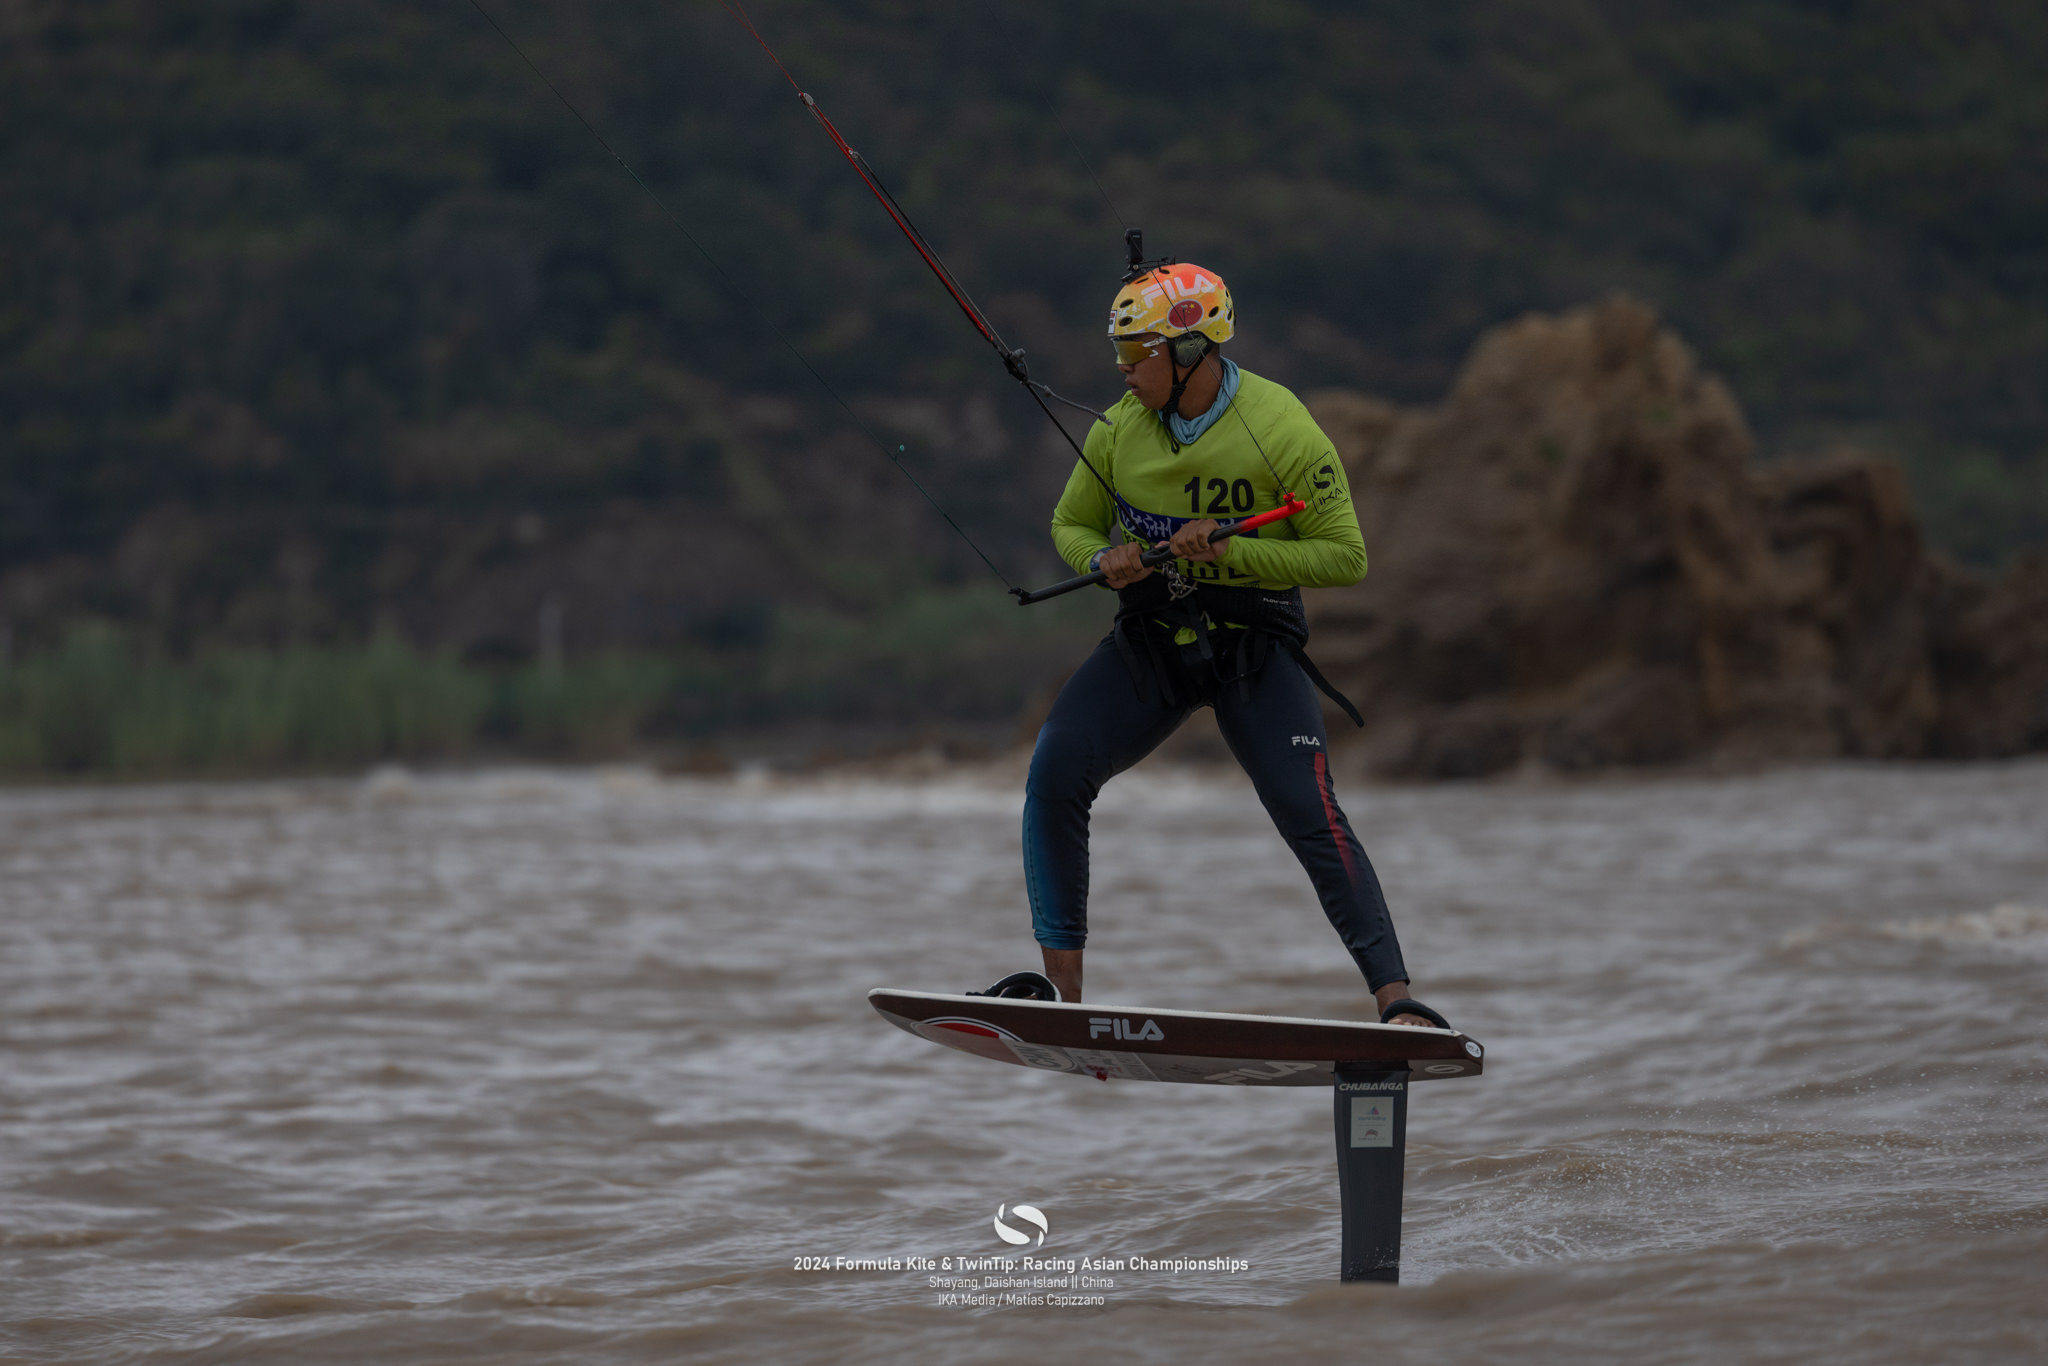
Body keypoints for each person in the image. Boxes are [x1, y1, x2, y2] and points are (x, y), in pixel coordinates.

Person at [973, 259, 1447, 1033]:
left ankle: (1398, 1006)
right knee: (1055, 769)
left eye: (1138, 354)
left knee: (1306, 807)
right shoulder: (1117, 429)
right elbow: (1071, 524)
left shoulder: (1281, 425)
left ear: (1191, 351)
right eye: (1119, 353)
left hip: (1253, 647)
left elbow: (1345, 557)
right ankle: (1063, 998)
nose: (1123, 370)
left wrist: (1231, 550)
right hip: (1153, 641)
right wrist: (1104, 558)